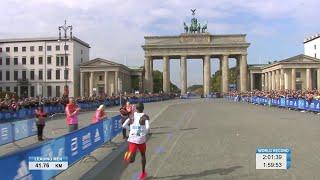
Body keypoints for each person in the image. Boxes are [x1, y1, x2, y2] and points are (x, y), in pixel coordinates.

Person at [122, 102, 150, 180]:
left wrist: (131, 129)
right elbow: (147, 128)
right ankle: (143, 173)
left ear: (136, 109)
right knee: (143, 155)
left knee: (132, 160)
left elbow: (123, 125)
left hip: (132, 138)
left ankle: (128, 155)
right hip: (140, 139)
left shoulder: (132, 116)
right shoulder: (145, 117)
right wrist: (144, 133)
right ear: (143, 108)